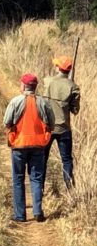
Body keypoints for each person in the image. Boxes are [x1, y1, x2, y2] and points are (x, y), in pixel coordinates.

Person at [3, 73, 54, 223]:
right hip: (39, 145)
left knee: (18, 179)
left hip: (19, 145)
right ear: (35, 87)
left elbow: (7, 122)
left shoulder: (15, 101)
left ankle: (20, 215)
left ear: (24, 86)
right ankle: (38, 212)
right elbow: (51, 123)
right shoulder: (43, 103)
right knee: (36, 178)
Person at [41, 55, 80, 190]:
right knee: (67, 160)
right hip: (64, 129)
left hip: (48, 128)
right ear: (69, 70)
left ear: (58, 68)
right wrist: (70, 88)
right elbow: (75, 110)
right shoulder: (73, 87)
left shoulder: (48, 81)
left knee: (42, 159)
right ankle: (70, 189)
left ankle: (39, 188)